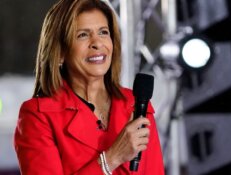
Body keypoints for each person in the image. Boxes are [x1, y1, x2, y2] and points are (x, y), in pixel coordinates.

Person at [14, 0, 165, 174]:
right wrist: (111, 159)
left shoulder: (135, 104)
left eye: (103, 32)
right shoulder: (38, 115)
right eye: (83, 35)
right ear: (60, 53)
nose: (97, 43)